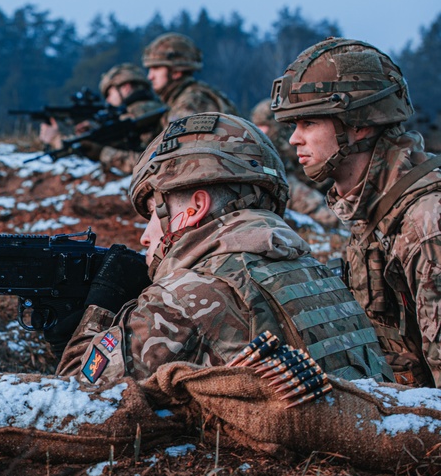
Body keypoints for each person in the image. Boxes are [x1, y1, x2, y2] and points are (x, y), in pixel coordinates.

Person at [46, 112, 392, 386]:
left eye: (154, 212)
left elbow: (77, 395)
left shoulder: (185, 299)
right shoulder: (315, 273)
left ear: (195, 207)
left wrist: (101, 308)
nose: (145, 236)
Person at [270, 37, 441, 386]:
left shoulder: (426, 223)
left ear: (359, 124)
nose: (294, 140)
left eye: (309, 124)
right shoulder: (374, 207)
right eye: (294, 126)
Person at [38, 63, 166, 174]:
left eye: (109, 94)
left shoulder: (137, 115)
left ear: (126, 87)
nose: (108, 100)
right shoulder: (154, 110)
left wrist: (56, 140)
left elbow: (141, 160)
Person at [250, 99, 339, 229]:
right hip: (283, 182)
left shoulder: (292, 139)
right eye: (258, 127)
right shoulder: (262, 146)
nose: (261, 132)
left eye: (265, 127)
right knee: (326, 216)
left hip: (312, 183)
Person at [142, 33, 238, 123]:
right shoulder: (182, 99)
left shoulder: (192, 102)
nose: (150, 76)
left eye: (156, 68)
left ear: (176, 72)